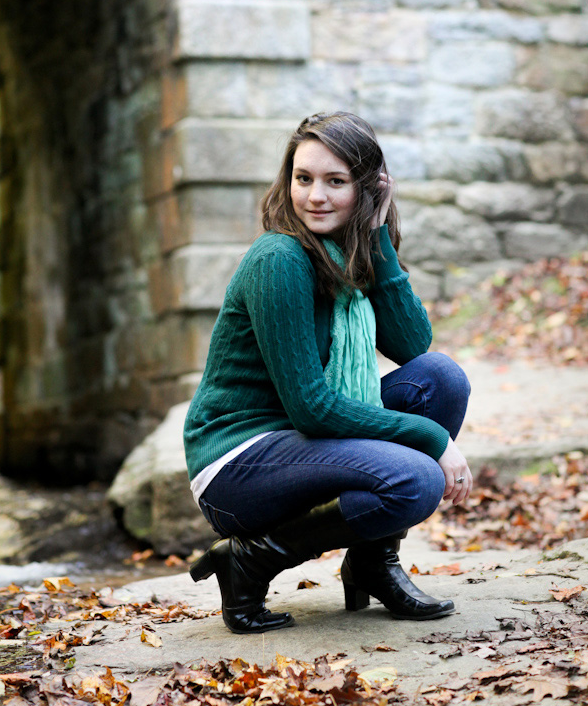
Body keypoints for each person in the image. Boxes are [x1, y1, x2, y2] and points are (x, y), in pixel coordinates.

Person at [183, 111, 472, 634]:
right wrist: (433, 439)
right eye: (303, 178)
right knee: (415, 480)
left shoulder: (349, 252)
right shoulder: (280, 258)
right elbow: (312, 409)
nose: (314, 196)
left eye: (335, 182)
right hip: (238, 463)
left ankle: (371, 563)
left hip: (293, 441)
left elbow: (412, 345)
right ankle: (252, 557)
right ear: (287, 179)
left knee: (440, 380)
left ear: (365, 189)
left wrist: (379, 236)